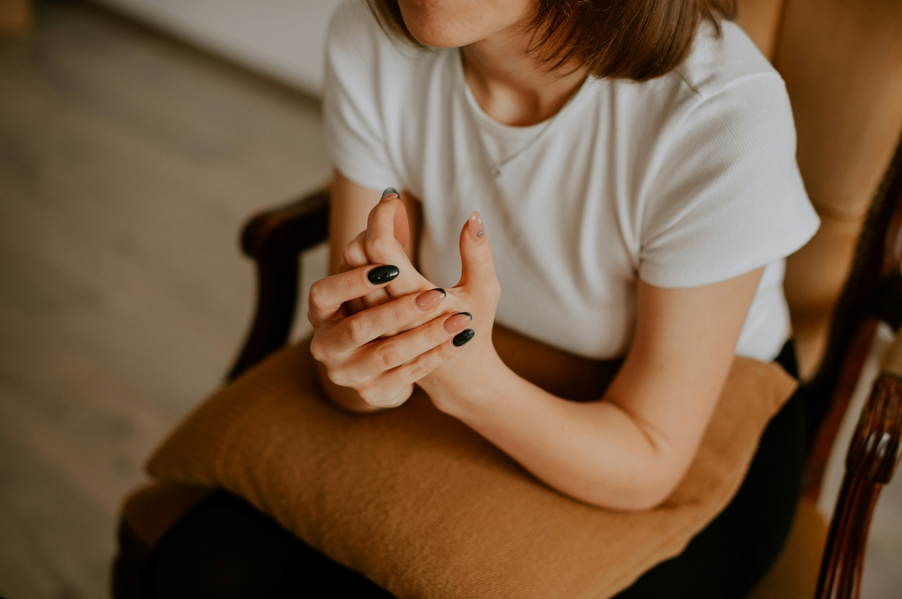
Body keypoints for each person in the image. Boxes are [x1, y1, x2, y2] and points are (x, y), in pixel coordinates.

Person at [143, 0, 821, 596]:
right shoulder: (372, 35)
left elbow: (648, 458)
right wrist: (365, 367)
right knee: (195, 572)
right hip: (474, 368)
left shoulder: (721, 115)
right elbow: (359, 381)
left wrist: (473, 385)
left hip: (679, 436)